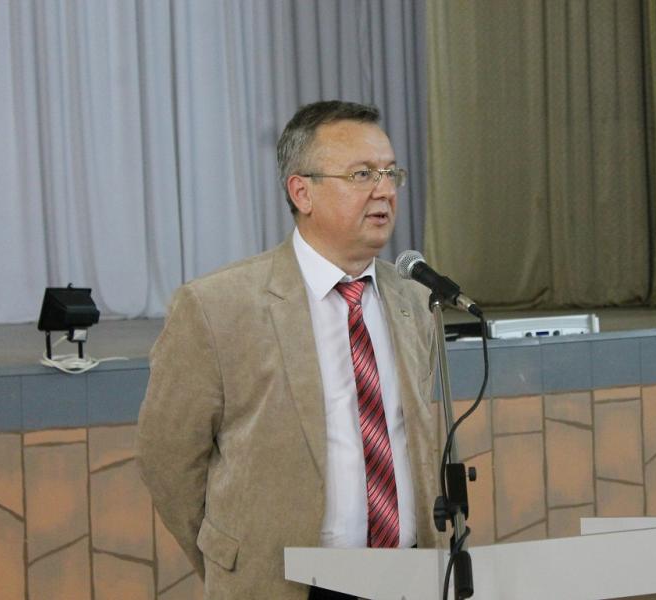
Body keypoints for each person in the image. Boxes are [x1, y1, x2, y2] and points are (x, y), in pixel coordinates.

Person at [137, 100, 440, 599]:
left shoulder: (414, 300)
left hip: (408, 578)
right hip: (288, 586)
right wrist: (232, 558)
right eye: (362, 174)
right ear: (302, 191)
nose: (384, 190)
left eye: (391, 173)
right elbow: (167, 459)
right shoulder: (217, 306)